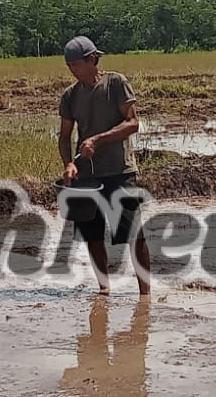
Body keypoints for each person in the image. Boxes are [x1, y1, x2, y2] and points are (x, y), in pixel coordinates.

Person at [58, 36, 152, 295]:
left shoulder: (116, 84)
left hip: (119, 171)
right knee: (92, 234)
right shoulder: (70, 96)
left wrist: (98, 140)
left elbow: (132, 123)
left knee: (133, 233)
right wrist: (69, 164)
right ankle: (104, 289)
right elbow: (65, 136)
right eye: (68, 65)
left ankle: (145, 293)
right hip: (87, 177)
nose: (72, 70)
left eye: (76, 64)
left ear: (92, 60)